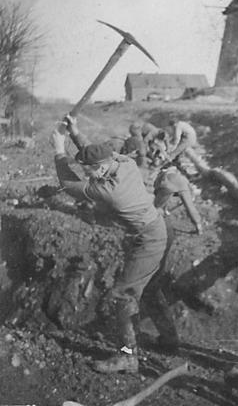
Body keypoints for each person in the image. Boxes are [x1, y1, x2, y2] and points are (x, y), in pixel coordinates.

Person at [50, 116, 178, 374]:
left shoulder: (109, 191)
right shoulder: (124, 162)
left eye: (88, 170)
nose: (86, 173)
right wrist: (75, 133)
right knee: (150, 289)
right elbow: (96, 151)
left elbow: (67, 184)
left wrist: (59, 151)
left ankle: (128, 356)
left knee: (122, 295)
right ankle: (170, 340)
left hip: (149, 239)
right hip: (161, 228)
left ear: (99, 169)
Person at [154, 161, 203, 235]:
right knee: (190, 206)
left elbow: (160, 193)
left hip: (168, 184)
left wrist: (163, 208)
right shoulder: (181, 175)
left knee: (157, 208)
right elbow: (191, 193)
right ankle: (199, 228)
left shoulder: (160, 175)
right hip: (182, 183)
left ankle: (154, 227)